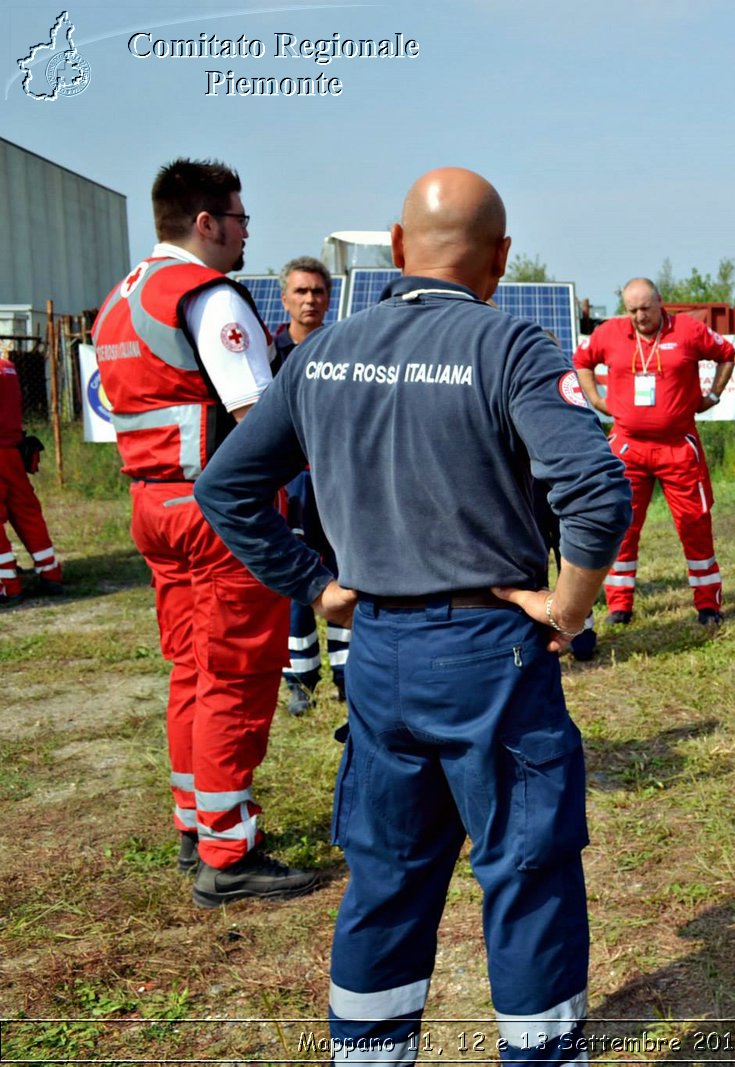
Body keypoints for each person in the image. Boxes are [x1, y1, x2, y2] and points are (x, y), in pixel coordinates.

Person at [194, 166, 630, 1061]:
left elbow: (227, 487)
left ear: (397, 251)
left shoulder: (322, 354)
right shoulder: (512, 348)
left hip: (378, 656)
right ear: (501, 259)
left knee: (386, 880)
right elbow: (595, 490)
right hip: (487, 658)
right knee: (526, 873)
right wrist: (568, 612)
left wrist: (315, 584)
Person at [90, 158, 310, 903]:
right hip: (225, 513)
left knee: (190, 668)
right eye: (242, 219)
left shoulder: (120, 301)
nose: (248, 234)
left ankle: (196, 821)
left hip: (155, 505)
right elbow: (263, 420)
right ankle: (228, 853)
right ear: (207, 223)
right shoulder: (209, 296)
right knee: (237, 678)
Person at [574, 278, 735, 632]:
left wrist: (714, 394)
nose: (639, 316)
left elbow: (727, 355)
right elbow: (582, 361)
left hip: (678, 446)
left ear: (660, 303)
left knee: (695, 525)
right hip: (627, 448)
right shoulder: (609, 332)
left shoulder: (689, 330)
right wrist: (597, 401)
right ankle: (619, 604)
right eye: (631, 309)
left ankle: (708, 603)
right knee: (622, 526)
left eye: (645, 308)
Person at [271, 257, 345, 715]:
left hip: (337, 480)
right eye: (301, 291)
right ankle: (300, 676)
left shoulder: (345, 349)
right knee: (298, 577)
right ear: (285, 298)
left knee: (346, 573)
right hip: (289, 481)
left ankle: (348, 674)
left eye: (318, 291)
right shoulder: (266, 352)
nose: (310, 299)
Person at [0, 350, 64, 603]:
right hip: (13, 452)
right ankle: (50, 572)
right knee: (27, 513)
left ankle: (7, 584)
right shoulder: (8, 367)